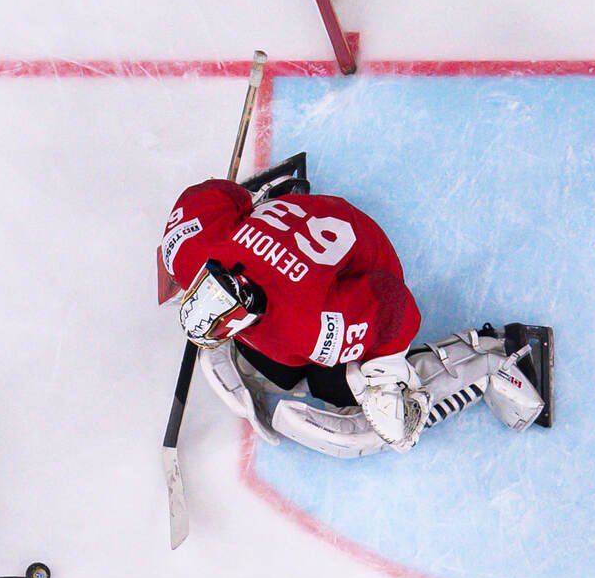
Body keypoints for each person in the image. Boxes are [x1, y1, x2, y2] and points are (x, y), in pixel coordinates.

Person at [160, 162, 554, 457]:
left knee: (344, 388)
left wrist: (384, 376)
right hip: (305, 244)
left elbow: (393, 303)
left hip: (358, 259)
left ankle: (487, 357)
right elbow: (209, 195)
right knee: (278, 369)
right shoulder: (190, 251)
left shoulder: (309, 328)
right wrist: (248, 204)